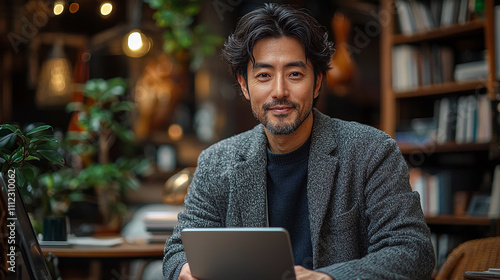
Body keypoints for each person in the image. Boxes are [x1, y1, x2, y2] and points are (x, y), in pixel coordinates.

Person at [163, 3, 436, 280]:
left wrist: (329, 278)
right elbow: (178, 249)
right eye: (264, 75)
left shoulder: (371, 151)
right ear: (244, 85)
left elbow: (413, 251)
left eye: (295, 74)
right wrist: (184, 269)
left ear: (317, 82)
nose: (279, 91)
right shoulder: (216, 161)